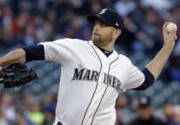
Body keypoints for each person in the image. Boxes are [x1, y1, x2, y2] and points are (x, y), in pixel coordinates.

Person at [0, 8, 177, 125]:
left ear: (117, 32)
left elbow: (146, 80)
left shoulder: (123, 64)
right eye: (96, 23)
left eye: (103, 24)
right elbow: (29, 52)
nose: (97, 27)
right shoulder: (74, 47)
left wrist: (168, 46)